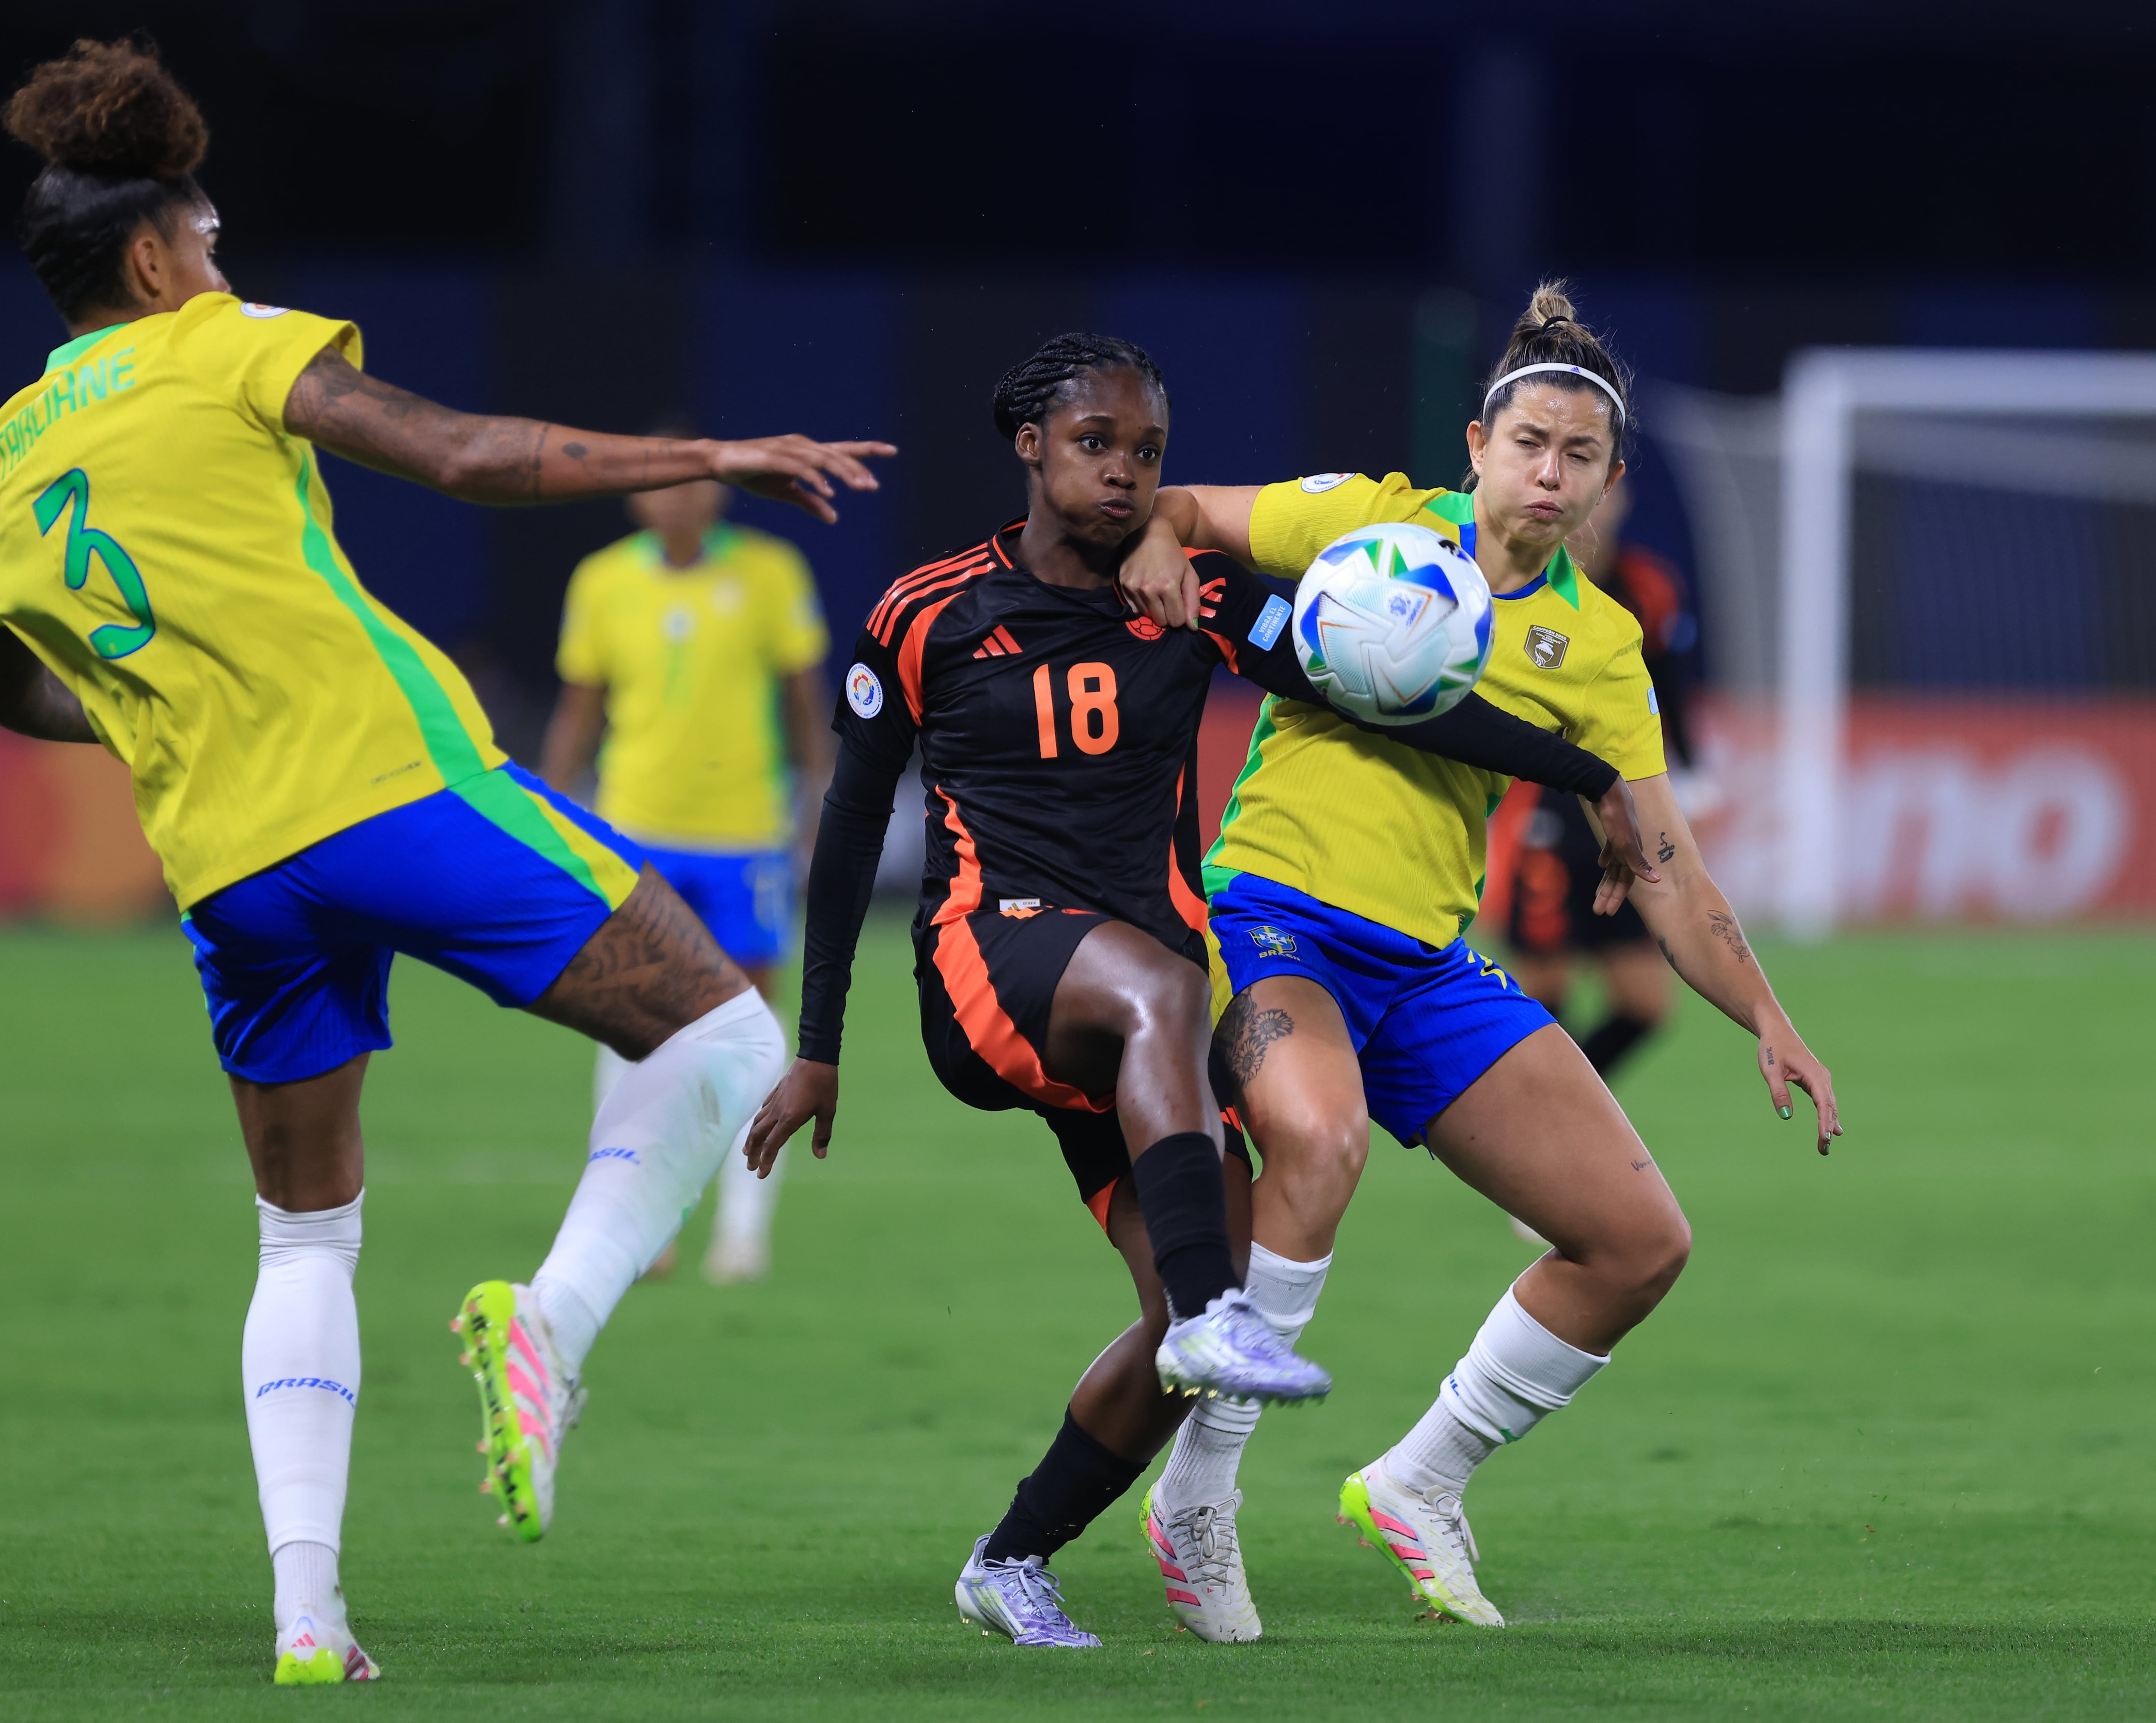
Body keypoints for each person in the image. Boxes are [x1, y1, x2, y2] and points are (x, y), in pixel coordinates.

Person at [0, 41, 889, 1686]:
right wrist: (707, 459)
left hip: (227, 867)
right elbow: (462, 452)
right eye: (210, 237)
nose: (222, 261)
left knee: (304, 1238)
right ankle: (555, 1322)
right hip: (391, 791)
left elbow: (19, 690)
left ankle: (308, 1617)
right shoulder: (223, 343)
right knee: (731, 1035)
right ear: (153, 259)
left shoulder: (13, 449)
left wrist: (177, 708)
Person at [744, 333, 1644, 1649]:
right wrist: (816, 1042)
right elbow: (845, 824)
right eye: (1095, 444)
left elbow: (1382, 699)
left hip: (1129, 1009)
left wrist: (1586, 774)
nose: (1122, 474)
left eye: (1147, 453)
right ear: (1032, 448)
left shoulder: (1201, 599)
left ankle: (1010, 1556)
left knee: (1178, 1311)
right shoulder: (925, 612)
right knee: (1174, 1009)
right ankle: (1225, 1324)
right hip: (988, 965)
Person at [1115, 282, 1841, 1637]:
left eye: (1579, 454)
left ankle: (1421, 1476)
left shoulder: (1602, 645)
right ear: (1478, 444)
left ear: (1611, 477)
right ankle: (1196, 1492)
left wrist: (1767, 1012)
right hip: (1275, 921)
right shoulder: (1372, 522)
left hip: (1428, 965)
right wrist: (1159, 541)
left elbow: (1667, 860)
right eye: (1530, 445)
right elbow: (1184, 508)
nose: (1550, 472)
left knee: (1637, 1239)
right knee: (1318, 1146)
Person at [542, 442, 833, 1282]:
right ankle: (640, 1221)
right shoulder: (602, 581)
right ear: (637, 499)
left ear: (722, 496)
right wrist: (549, 812)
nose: (676, 503)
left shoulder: (772, 572)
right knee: (630, 1017)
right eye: (660, 488)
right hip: (637, 832)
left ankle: (743, 1233)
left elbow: (805, 697)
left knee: (754, 1022)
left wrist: (816, 799)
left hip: (745, 834)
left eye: (694, 486)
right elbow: (579, 707)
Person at [1499, 476, 1704, 1086]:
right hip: (1547, 809)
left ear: (1617, 498)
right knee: (1543, 992)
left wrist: (1693, 774)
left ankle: (1562, 1106)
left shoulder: (1649, 588)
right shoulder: (1530, 581)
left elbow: (1667, 690)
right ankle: (1530, 1109)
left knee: (1645, 1004)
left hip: (1625, 815)